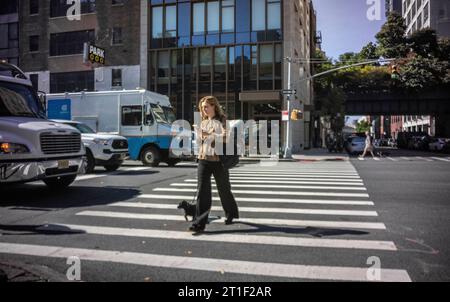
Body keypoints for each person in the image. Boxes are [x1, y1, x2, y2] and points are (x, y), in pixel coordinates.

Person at [189, 96, 239, 233]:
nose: (204, 109)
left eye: (206, 106)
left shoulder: (223, 120)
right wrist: (199, 135)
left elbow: (226, 138)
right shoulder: (203, 122)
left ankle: (231, 213)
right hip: (204, 159)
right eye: (203, 107)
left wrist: (208, 135)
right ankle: (199, 223)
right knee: (202, 192)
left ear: (213, 106)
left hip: (219, 161)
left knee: (224, 190)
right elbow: (201, 142)